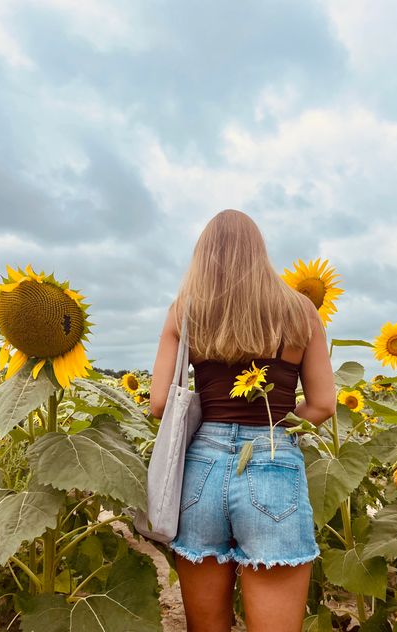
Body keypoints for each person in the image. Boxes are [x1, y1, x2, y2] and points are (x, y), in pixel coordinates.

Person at [150, 209, 336, 632]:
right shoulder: (300, 311)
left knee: (206, 625)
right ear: (260, 253)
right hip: (274, 460)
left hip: (202, 469)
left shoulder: (185, 311)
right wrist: (278, 428)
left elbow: (160, 403)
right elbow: (323, 405)